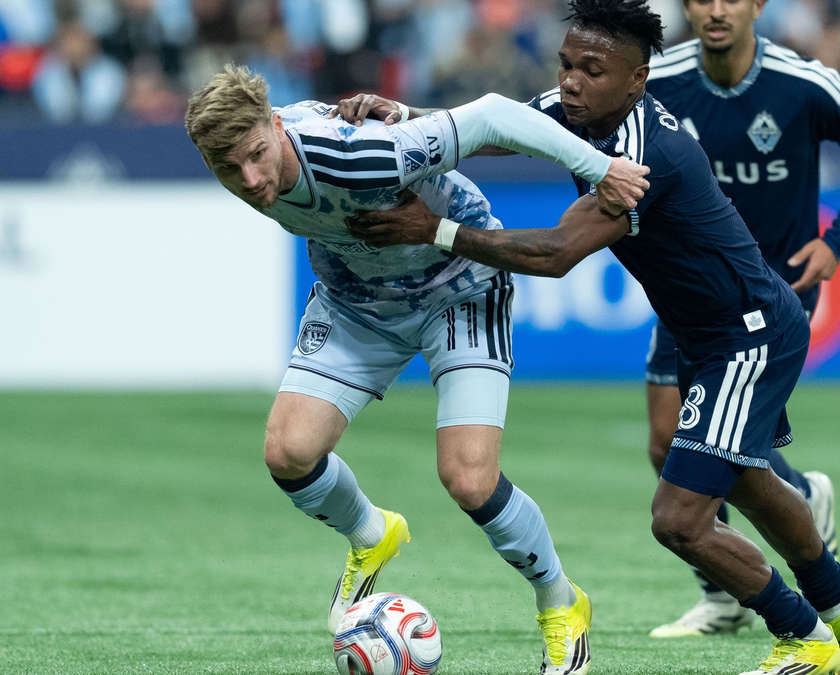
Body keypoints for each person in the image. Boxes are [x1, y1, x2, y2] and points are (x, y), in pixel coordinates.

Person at [344, 2, 840, 673]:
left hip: (747, 334)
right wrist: (407, 121)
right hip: (713, 330)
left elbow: (553, 252)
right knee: (744, 479)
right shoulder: (580, 111)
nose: (571, 82)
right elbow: (500, 127)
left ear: (637, 82)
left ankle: (805, 637)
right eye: (567, 65)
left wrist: (433, 229)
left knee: (679, 519)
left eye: (591, 71)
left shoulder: (641, 158)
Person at [183, 64, 649, 675]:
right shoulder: (257, 151)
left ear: (274, 127)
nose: (249, 179)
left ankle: (562, 603)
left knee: (469, 480)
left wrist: (599, 167)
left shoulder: (357, 157)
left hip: (458, 288)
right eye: (228, 170)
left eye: (255, 156)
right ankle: (372, 534)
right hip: (357, 303)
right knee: (287, 452)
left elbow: (489, 115)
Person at [642, 0, 840, 638]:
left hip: (770, 293)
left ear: (758, 5)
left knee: (722, 444)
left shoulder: (804, 83)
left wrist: (835, 242)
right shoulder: (659, 79)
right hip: (690, 287)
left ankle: (800, 585)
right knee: (667, 441)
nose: (716, 9)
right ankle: (728, 588)